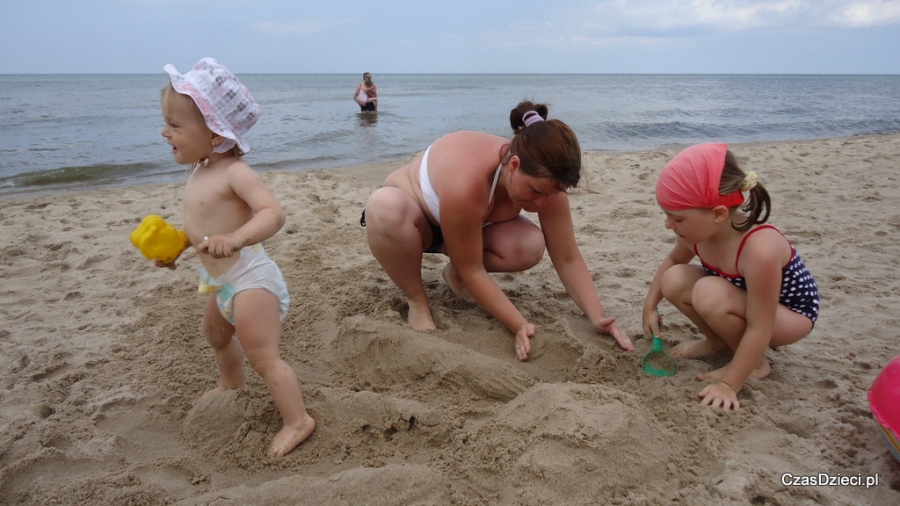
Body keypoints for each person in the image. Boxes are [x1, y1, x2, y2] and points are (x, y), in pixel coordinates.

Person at [362, 101, 633, 361]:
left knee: (529, 244)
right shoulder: (468, 181)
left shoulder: (548, 182)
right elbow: (474, 269)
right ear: (513, 165)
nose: (541, 204)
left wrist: (597, 317)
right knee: (384, 207)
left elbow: (567, 257)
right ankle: (417, 300)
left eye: (550, 195)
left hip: (467, 231)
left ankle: (453, 272)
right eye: (536, 192)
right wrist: (517, 324)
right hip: (417, 222)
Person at [156, 57, 315, 457]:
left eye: (175, 125)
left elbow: (273, 214)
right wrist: (174, 248)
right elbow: (199, 228)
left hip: (250, 279)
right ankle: (231, 385)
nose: (165, 132)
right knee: (216, 335)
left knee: (263, 354)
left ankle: (298, 421)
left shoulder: (236, 173)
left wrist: (237, 237)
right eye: (166, 123)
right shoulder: (198, 171)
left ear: (214, 133)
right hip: (220, 281)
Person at [642, 143, 819, 411]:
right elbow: (672, 261)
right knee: (674, 278)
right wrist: (650, 305)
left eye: (677, 218)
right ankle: (718, 342)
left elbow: (761, 326)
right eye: (666, 216)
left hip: (789, 316)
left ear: (718, 214)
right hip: (746, 301)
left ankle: (755, 363)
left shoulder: (759, 250)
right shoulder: (696, 236)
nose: (669, 225)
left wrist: (729, 385)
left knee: (708, 292)